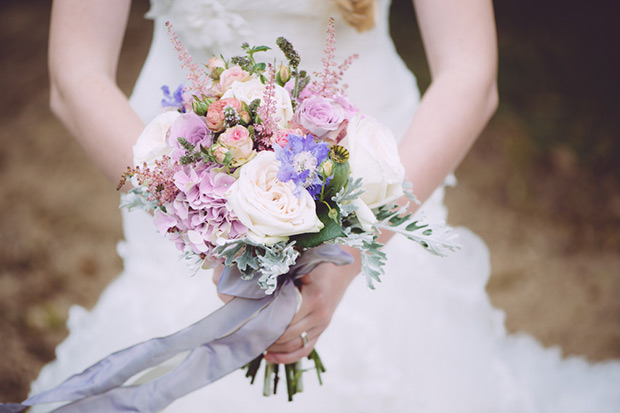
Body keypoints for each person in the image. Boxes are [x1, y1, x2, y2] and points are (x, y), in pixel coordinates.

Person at [29, 0, 620, 411]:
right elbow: (75, 74)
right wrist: (201, 222)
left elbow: (470, 72)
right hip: (181, 169)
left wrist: (353, 248)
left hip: (372, 172)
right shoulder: (187, 201)